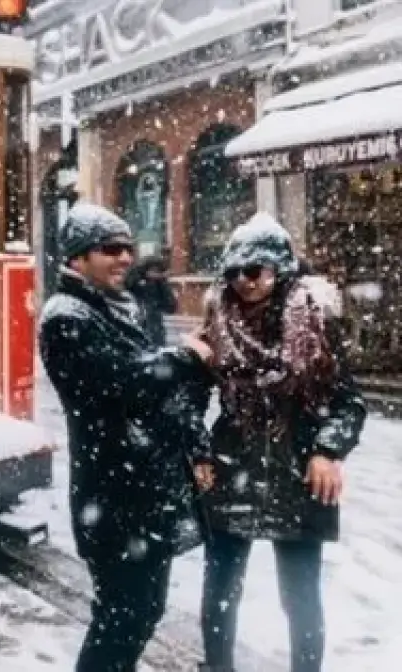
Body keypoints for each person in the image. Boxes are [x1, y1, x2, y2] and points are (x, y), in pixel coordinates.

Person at [37, 203, 212, 672]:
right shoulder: (66, 316)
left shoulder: (121, 308)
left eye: (128, 248)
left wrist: (195, 445)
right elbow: (120, 381)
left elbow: (157, 393)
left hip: (142, 494)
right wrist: (184, 358)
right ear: (77, 259)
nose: (124, 258)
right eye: (110, 249)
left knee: (141, 612)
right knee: (121, 618)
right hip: (113, 498)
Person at [193, 213, 366, 672]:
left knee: (301, 596)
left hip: (297, 469)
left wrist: (328, 449)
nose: (245, 282)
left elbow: (349, 402)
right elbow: (187, 402)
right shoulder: (217, 319)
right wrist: (199, 450)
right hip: (233, 465)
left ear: (281, 268)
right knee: (221, 591)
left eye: (255, 271)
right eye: (234, 272)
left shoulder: (316, 322)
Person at [125, 252, 177, 346]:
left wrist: (162, 283)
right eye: (152, 269)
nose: (154, 273)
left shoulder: (159, 283)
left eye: (157, 270)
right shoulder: (135, 280)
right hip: (136, 325)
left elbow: (171, 307)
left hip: (155, 329)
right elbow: (128, 283)